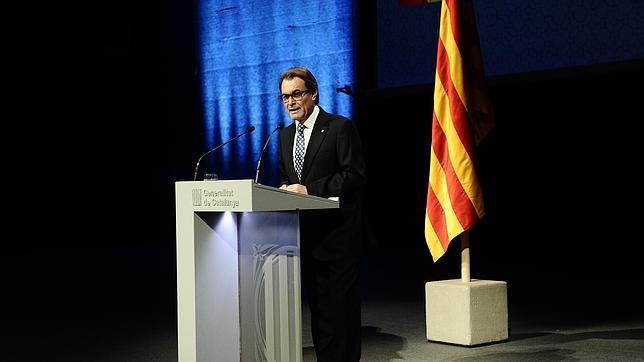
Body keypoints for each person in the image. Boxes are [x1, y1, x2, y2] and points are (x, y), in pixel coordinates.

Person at [277, 66, 366, 362]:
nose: (290, 102)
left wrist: (308, 189)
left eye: (297, 94)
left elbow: (354, 175)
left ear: (313, 94)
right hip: (306, 238)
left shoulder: (340, 127)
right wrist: (283, 189)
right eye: (285, 97)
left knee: (342, 311)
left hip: (339, 236)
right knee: (319, 312)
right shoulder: (285, 136)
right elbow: (288, 179)